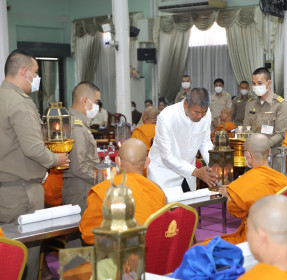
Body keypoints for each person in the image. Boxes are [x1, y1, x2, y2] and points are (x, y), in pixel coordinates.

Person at [0, 49, 69, 280]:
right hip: (22, 191)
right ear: (24, 71)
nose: (37, 78)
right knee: (25, 258)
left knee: (6, 257)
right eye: (36, 72)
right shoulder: (20, 102)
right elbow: (33, 148)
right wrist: (56, 159)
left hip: (5, 189)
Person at [80, 138, 166, 245]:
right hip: (155, 254)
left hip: (122, 257)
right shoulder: (157, 190)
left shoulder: (104, 190)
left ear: (117, 161)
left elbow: (88, 234)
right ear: (147, 163)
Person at [217, 133, 287, 244]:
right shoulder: (285, 180)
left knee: (202, 248)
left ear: (247, 155)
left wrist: (229, 195)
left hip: (256, 239)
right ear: (269, 152)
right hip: (283, 237)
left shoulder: (242, 183)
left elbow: (235, 213)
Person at [148, 88, 218, 192]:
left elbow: (205, 142)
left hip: (188, 173)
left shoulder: (206, 114)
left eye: (204, 112)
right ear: (186, 104)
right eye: (197, 112)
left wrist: (213, 165)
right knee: (168, 207)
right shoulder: (166, 117)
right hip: (164, 173)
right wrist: (196, 172)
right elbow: (167, 157)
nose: (201, 116)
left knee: (189, 206)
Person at [63, 81, 101, 213]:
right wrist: (103, 178)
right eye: (96, 102)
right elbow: (79, 167)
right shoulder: (77, 126)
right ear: (85, 100)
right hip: (81, 189)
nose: (97, 107)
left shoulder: (78, 122)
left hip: (84, 185)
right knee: (82, 231)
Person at [243, 67, 287, 150]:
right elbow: (246, 130)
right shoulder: (250, 103)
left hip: (272, 152)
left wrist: (262, 146)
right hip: (252, 151)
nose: (256, 86)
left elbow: (280, 134)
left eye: (260, 83)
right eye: (254, 83)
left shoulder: (280, 104)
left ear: (269, 83)